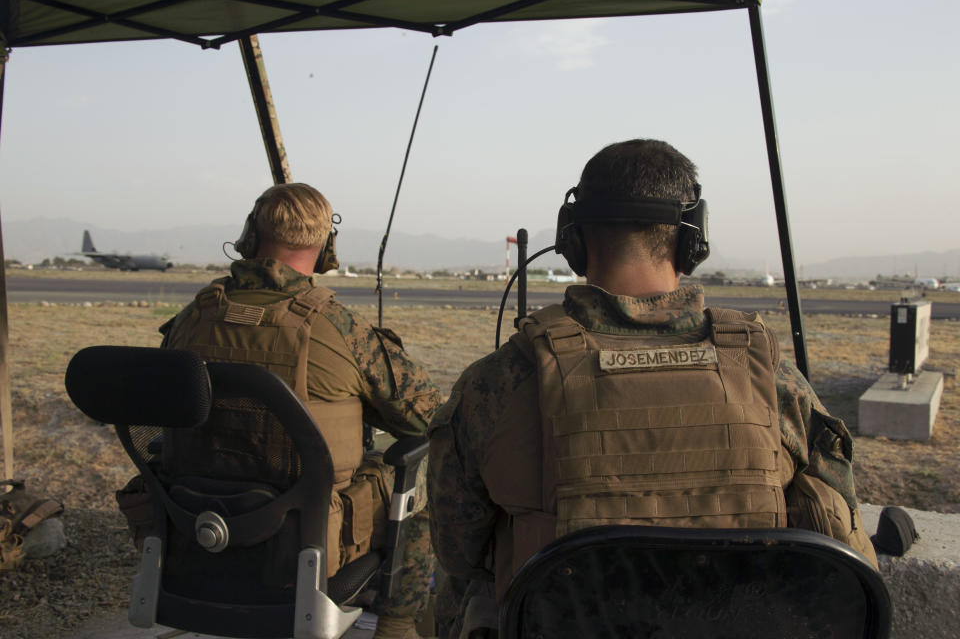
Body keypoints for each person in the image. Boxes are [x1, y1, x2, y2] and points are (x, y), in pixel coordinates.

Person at [427, 139, 878, 637]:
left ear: (573, 240)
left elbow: (457, 548)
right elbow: (840, 531)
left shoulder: (495, 385)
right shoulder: (773, 380)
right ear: (692, 241)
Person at [160, 182, 441, 639]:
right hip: (302, 547)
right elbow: (427, 415)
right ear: (327, 246)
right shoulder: (336, 326)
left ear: (250, 236)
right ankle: (396, 623)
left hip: (199, 531)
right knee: (428, 464)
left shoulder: (194, 316)